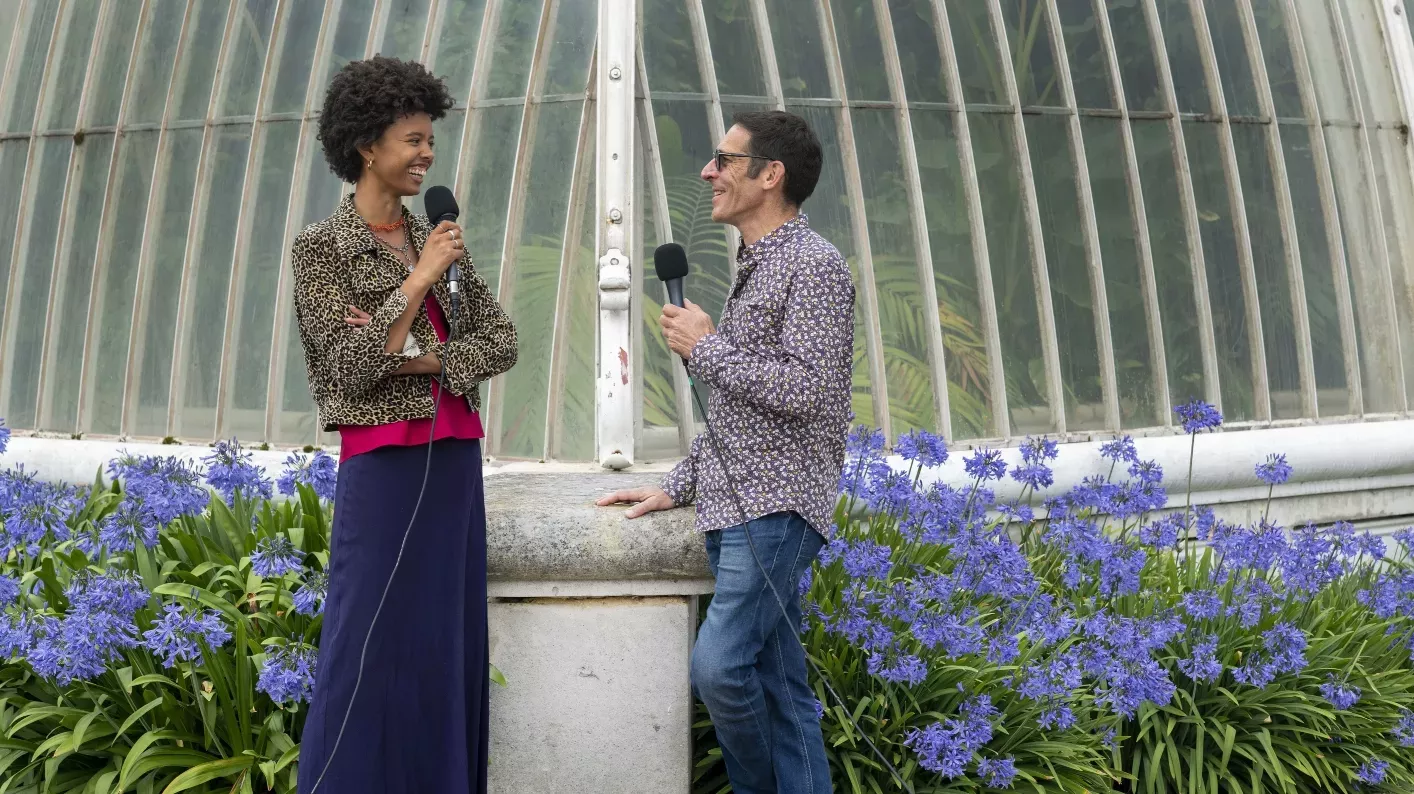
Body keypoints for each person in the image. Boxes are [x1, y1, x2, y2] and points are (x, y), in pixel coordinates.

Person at [597, 110, 852, 794]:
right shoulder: (760, 262)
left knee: (718, 666)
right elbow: (740, 413)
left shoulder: (814, 266)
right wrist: (678, 484)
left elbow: (806, 390)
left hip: (776, 507)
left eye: (725, 160)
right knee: (779, 683)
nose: (708, 172)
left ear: (772, 176)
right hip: (737, 502)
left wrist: (706, 347)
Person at [290, 55, 517, 794]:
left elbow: (502, 340)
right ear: (366, 146)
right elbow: (347, 368)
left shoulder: (441, 236)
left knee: (442, 644)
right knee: (366, 645)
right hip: (383, 468)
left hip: (453, 466)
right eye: (413, 139)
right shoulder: (319, 251)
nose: (427, 155)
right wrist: (418, 285)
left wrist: (416, 356)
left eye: (430, 140)